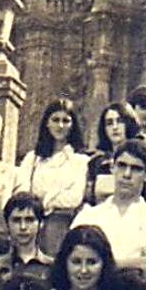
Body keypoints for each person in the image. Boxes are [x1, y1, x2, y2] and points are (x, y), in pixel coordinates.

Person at [71, 141, 146, 280]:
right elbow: (72, 261)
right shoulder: (87, 216)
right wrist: (136, 261)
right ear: (112, 167)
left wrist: (99, 263)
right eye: (122, 166)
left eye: (136, 169)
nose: (127, 174)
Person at [15, 98, 90, 258]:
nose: (60, 125)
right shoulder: (32, 159)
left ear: (73, 125)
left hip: (62, 226)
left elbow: (74, 198)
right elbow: (22, 193)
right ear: (47, 123)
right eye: (55, 120)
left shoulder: (80, 161)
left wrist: (43, 200)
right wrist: (52, 199)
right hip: (31, 223)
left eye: (66, 121)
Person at [86, 101, 144, 205]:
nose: (115, 127)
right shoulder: (96, 162)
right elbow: (90, 199)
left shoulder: (143, 158)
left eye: (120, 121)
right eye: (109, 123)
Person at [3, 190, 54, 272]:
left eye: (29, 220)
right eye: (16, 220)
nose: (23, 227)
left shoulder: (52, 267)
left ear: (41, 223)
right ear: (7, 223)